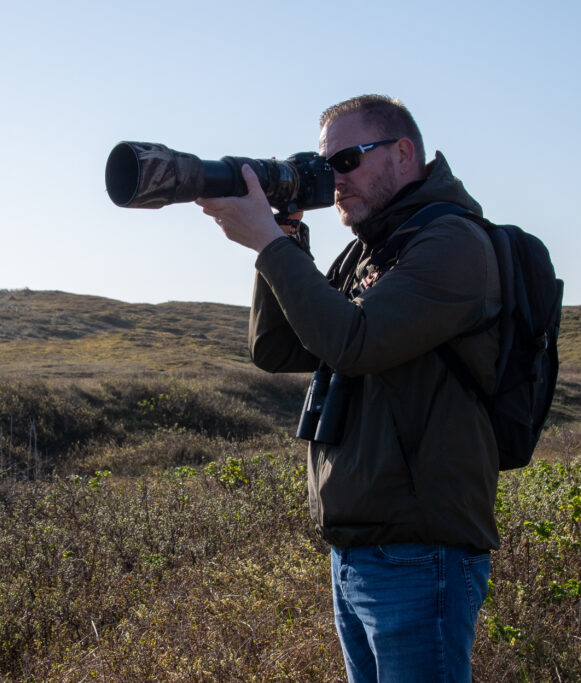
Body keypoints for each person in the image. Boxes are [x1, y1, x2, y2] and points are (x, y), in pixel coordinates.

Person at [195, 94, 501, 682]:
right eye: (324, 164)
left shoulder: (451, 243)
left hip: (419, 553)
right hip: (360, 551)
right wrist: (285, 232)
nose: (332, 180)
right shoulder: (374, 248)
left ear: (404, 153)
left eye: (347, 161)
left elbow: (353, 344)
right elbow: (279, 350)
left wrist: (268, 244)